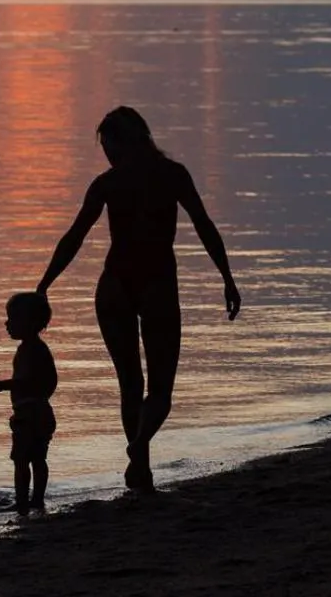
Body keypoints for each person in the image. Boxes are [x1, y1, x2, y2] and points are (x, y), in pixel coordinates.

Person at [36, 106, 240, 493]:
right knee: (158, 390)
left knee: (131, 384)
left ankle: (139, 463)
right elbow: (204, 226)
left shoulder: (109, 183)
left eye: (109, 146)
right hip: (156, 284)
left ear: (125, 142)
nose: (107, 155)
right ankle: (139, 453)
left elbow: (75, 236)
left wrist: (45, 283)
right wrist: (227, 278)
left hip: (115, 285)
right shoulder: (172, 175)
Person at [0, 291, 58, 515]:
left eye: (13, 318)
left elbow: (26, 381)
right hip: (42, 411)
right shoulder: (38, 349)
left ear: (31, 322)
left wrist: (2, 385)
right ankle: (36, 499)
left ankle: (22, 502)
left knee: (21, 459)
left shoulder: (30, 350)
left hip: (29, 414)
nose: (7, 323)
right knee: (37, 458)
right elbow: (51, 381)